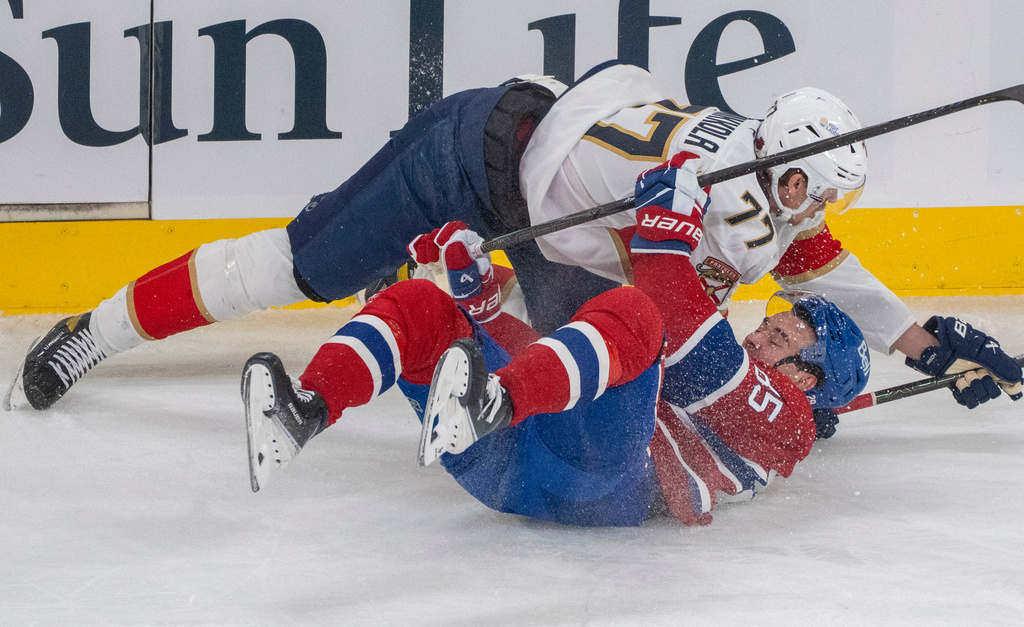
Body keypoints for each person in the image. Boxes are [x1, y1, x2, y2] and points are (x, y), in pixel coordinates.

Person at [7, 62, 1021, 414]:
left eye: (818, 198)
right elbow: (705, 292)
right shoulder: (716, 194)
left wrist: (928, 344)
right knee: (304, 265)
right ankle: (94, 330)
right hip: (471, 158)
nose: (812, 212)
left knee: (574, 374)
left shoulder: (752, 184)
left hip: (553, 219)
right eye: (807, 190)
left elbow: (815, 265)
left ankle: (421, 305)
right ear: (776, 167)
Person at [241, 180, 869, 526]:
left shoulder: (790, 422)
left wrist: (665, 238)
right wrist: (483, 301)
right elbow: (564, 369)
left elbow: (688, 339)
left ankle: (493, 404)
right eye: (770, 325)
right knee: (421, 306)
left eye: (783, 339)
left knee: (637, 315)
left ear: (812, 381)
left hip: (603, 485)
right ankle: (305, 410)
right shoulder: (766, 388)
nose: (759, 336)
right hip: (513, 457)